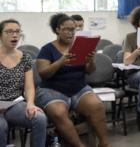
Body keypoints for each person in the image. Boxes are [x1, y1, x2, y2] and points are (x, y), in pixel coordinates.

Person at [35, 13, 111, 147]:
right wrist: (61, 61)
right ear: (57, 29)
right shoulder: (46, 49)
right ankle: (79, 145)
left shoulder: (79, 46)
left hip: (78, 88)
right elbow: (43, 74)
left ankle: (105, 143)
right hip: (52, 89)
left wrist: (90, 60)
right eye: (67, 29)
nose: (71, 33)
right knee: (58, 113)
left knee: (97, 106)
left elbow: (89, 71)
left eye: (73, 30)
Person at [0, 19, 47, 147]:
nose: (14, 35)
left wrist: (30, 104)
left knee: (40, 119)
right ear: (0, 35)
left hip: (14, 104)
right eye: (9, 32)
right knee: (1, 126)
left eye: (17, 32)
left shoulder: (25, 57)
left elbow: (29, 86)